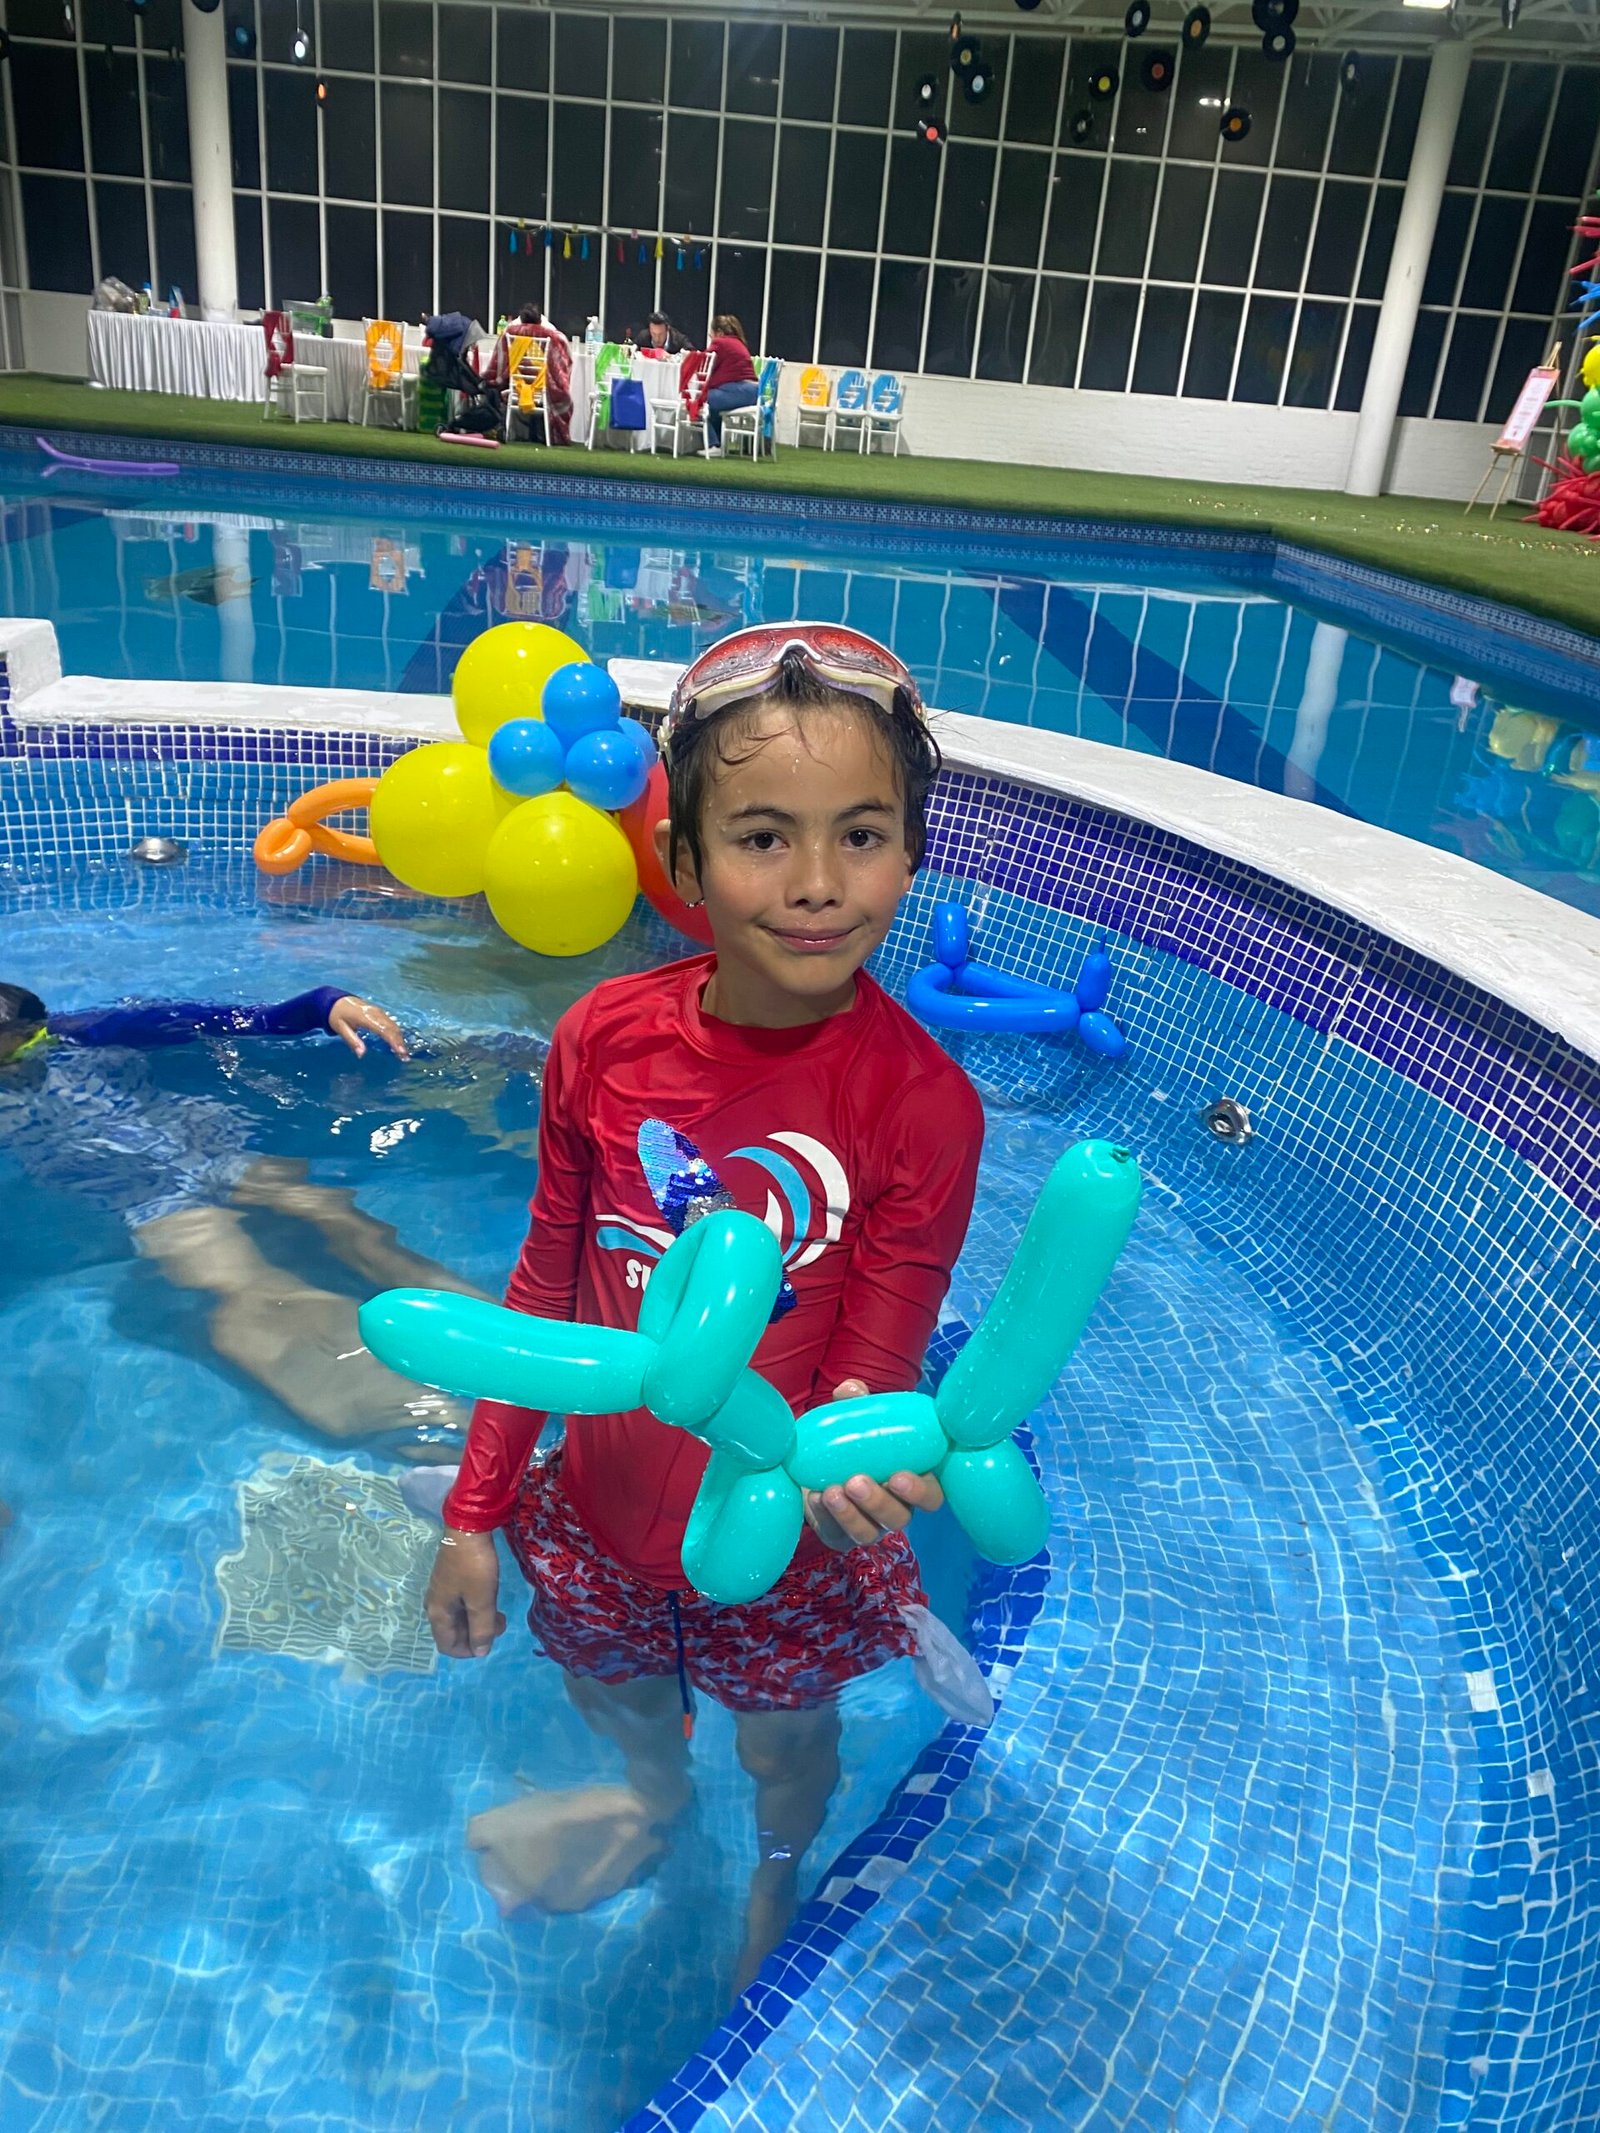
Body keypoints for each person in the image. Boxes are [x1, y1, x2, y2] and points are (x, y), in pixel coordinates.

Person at [423, 622, 985, 1992]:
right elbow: (542, 1295)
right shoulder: (602, 1040)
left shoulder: (922, 1108)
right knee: (612, 1687)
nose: (817, 884)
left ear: (912, 852)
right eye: (762, 837)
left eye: (862, 836)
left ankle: (779, 1866)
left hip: (782, 1549)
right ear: (680, 859)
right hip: (598, 1515)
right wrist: (475, 1514)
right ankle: (649, 1797)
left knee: (787, 1739)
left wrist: (860, 1465)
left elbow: (873, 1360)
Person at [0, 981, 481, 1443]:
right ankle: (431, 1421)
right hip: (132, 1191)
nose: (25, 1053)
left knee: (352, 1231)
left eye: (29, 1039)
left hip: (211, 1142)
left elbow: (226, 1020)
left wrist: (324, 1005)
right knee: (242, 1284)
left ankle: (501, 1341)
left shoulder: (86, 1033)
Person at [491, 303, 573, 447]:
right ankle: (545, 433)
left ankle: (500, 428)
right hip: (543, 386)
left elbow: (498, 365)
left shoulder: (510, 332)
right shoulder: (553, 335)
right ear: (540, 320)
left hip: (516, 384)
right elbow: (563, 365)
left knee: (492, 387)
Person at [695, 313, 759, 458]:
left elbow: (703, 363)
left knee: (699, 401)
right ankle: (718, 443)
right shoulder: (738, 342)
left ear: (718, 332)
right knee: (713, 404)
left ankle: (713, 444)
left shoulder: (720, 343)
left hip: (738, 390)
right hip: (751, 391)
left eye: (711, 335)